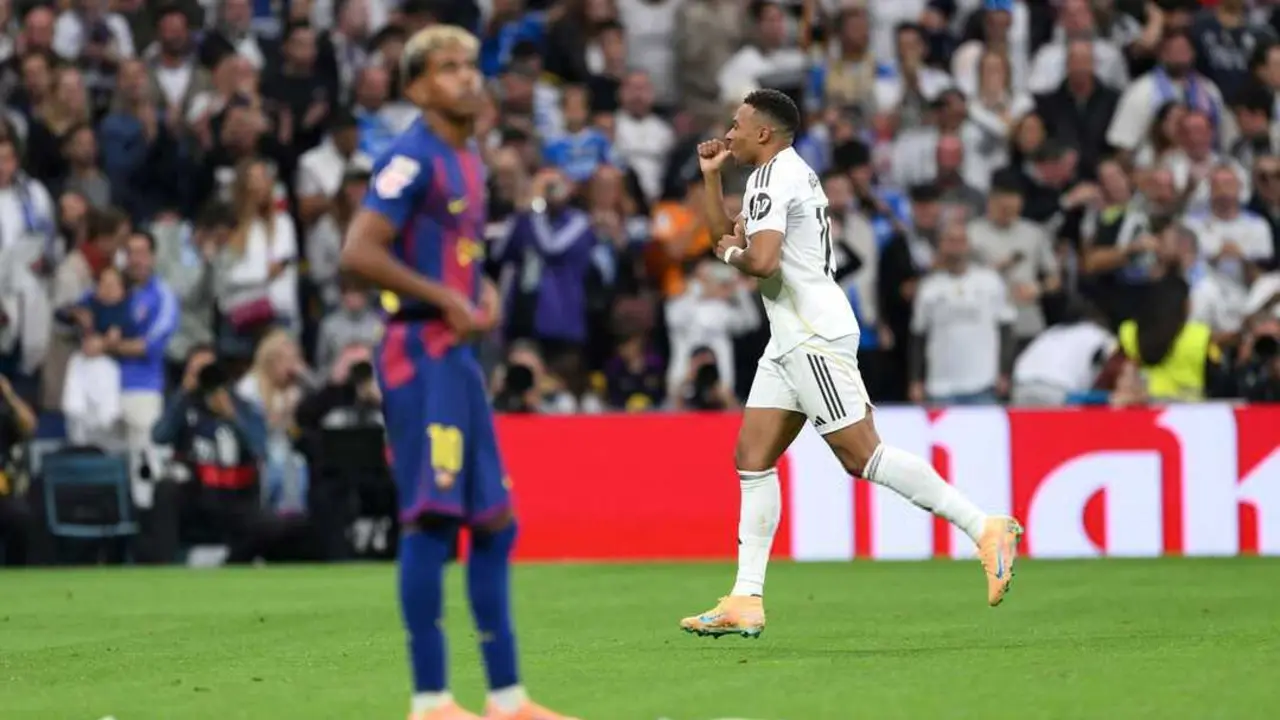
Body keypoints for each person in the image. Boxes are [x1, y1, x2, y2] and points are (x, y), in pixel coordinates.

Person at [681, 89, 1024, 640]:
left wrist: (727, 254)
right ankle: (745, 597)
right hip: (789, 335)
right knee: (751, 458)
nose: (732, 131)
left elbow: (755, 257)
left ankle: (984, 526)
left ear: (763, 133)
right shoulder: (784, 174)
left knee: (863, 456)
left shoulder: (773, 179)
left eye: (739, 124)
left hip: (812, 334)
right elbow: (724, 233)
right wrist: (711, 178)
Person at [339, 24, 578, 720]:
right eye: (447, 69)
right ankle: (431, 699)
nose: (467, 78)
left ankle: (506, 698)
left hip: (460, 359)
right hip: (419, 353)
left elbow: (457, 250)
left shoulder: (467, 155)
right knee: (431, 522)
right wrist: (445, 296)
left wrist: (480, 292)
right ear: (415, 87)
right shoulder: (410, 158)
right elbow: (358, 250)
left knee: (497, 526)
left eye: (471, 66)